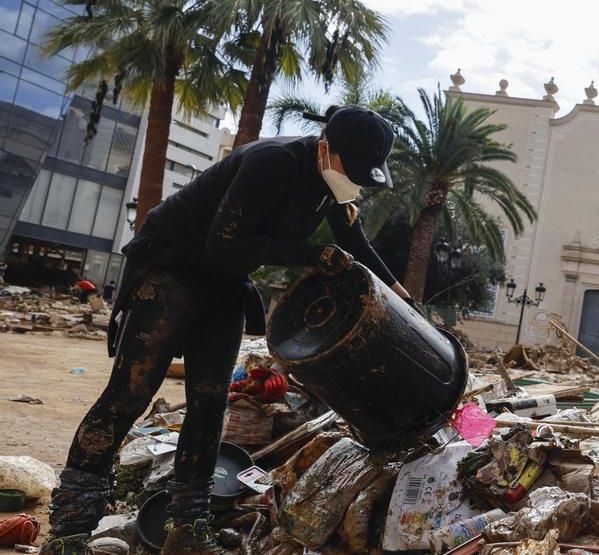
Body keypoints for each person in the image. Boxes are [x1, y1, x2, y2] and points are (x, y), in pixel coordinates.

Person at [41, 106, 412, 555]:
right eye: (351, 169)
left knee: (211, 400)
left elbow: (355, 244)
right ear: (326, 147)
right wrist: (313, 254)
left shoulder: (330, 184)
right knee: (129, 395)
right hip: (171, 266)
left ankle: (187, 529)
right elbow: (223, 243)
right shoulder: (272, 161)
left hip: (224, 281)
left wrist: (400, 296)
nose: (354, 182)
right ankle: (69, 532)